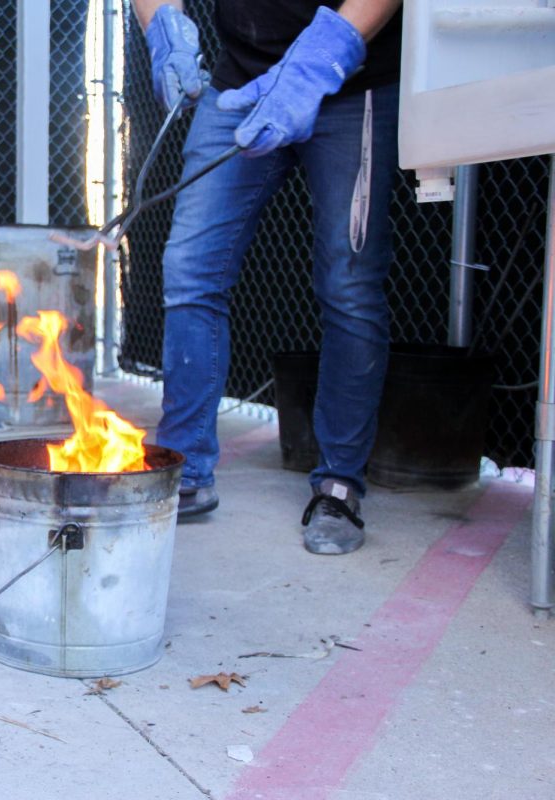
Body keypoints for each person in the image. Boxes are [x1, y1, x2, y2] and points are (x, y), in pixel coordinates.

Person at [137, 0, 403, 554]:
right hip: (237, 84)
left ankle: (339, 485)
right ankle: (182, 469)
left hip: (349, 84)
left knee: (348, 286)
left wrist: (320, 60)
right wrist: (163, 27)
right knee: (189, 269)